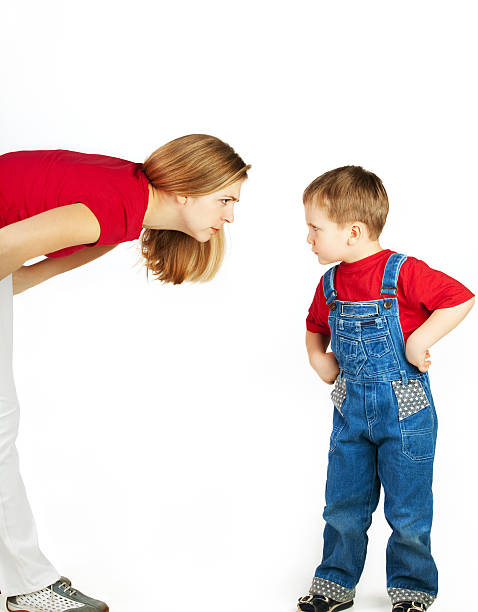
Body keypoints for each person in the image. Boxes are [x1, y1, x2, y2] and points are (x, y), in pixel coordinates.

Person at [0, 134, 250, 611]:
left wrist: (14, 284)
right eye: (225, 200)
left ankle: (26, 582)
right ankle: (28, 585)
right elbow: (7, 245)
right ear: (185, 190)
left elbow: (46, 258)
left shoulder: (128, 205)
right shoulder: (115, 205)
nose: (230, 216)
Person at [296, 166, 474, 612]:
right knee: (342, 506)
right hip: (351, 412)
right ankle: (333, 585)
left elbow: (461, 298)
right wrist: (320, 359)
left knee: (408, 511)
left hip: (405, 410)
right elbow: (315, 328)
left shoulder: (404, 272)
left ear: (353, 231)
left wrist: (419, 339)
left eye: (315, 228)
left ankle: (412, 591)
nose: (309, 238)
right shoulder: (331, 283)